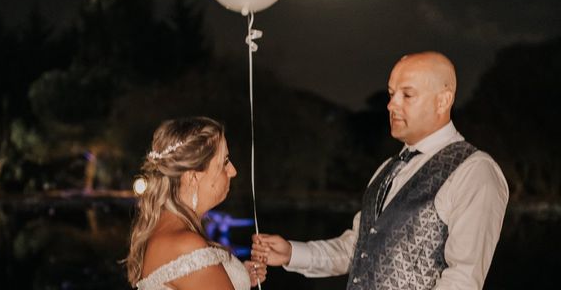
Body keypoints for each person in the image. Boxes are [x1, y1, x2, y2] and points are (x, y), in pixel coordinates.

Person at [252, 51, 509, 289]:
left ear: (443, 101)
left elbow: (463, 279)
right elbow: (357, 248)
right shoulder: (388, 168)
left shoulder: (474, 171)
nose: (391, 105)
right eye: (391, 94)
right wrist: (292, 253)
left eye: (406, 95)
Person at [125, 116, 267, 290]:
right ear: (193, 177)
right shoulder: (186, 245)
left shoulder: (168, 228)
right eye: (224, 162)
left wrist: (236, 276)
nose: (233, 171)